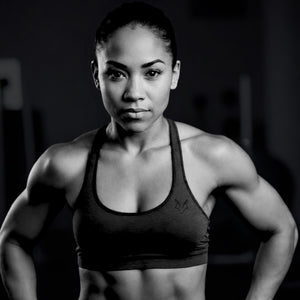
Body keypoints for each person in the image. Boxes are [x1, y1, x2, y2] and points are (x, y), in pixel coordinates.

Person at [0, 2, 298, 300]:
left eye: (152, 73)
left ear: (174, 74)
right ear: (96, 76)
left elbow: (282, 229)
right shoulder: (64, 164)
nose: (134, 93)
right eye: (117, 74)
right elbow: (13, 239)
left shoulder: (211, 156)